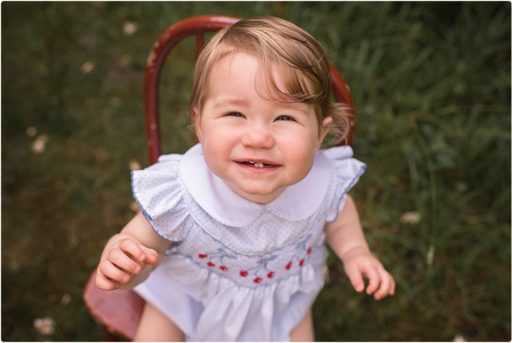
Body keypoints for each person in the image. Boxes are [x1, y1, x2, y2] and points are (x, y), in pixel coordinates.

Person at [92, 16, 395, 340]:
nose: (259, 137)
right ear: (200, 125)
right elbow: (141, 244)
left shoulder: (322, 184)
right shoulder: (183, 195)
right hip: (190, 296)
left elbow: (340, 216)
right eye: (235, 114)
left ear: (319, 135)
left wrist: (354, 251)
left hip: (281, 298)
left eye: (284, 117)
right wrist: (125, 257)